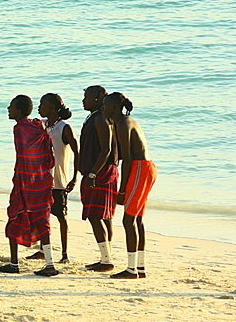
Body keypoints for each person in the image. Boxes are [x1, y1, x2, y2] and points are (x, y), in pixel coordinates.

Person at [0, 95, 59, 277]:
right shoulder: (38, 126)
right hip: (42, 180)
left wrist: (21, 179)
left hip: (25, 180)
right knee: (42, 220)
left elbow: (24, 154)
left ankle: (14, 263)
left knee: (15, 216)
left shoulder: (19, 128)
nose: (8, 109)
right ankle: (50, 264)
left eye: (11, 107)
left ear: (19, 111)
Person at [103, 92, 157, 279]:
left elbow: (127, 159)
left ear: (115, 107)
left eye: (105, 104)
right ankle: (140, 268)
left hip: (140, 168)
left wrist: (122, 189)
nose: (103, 108)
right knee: (137, 219)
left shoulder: (123, 124)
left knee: (128, 220)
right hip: (147, 167)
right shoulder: (125, 122)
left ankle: (131, 269)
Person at [26, 93, 79, 264]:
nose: (39, 107)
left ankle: (64, 253)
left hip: (58, 180)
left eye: (42, 104)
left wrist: (74, 178)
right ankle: (42, 249)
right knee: (43, 216)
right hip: (41, 179)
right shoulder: (42, 125)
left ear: (52, 108)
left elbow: (77, 152)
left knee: (61, 216)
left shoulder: (64, 128)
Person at [79, 85, 118, 272]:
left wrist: (93, 173)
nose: (83, 100)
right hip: (100, 170)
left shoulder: (101, 119)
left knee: (96, 215)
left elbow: (106, 149)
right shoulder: (96, 117)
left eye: (86, 97)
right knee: (105, 216)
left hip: (101, 172)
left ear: (96, 100)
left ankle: (106, 260)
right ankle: (106, 257)